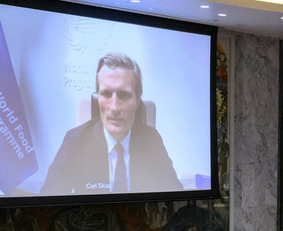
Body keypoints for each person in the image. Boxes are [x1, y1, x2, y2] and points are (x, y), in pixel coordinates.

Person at [40, 51, 180, 194]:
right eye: (106, 94)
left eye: (124, 95)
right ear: (98, 98)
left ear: (138, 100)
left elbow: (175, 197)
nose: (114, 107)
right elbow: (48, 201)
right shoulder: (75, 141)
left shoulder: (152, 140)